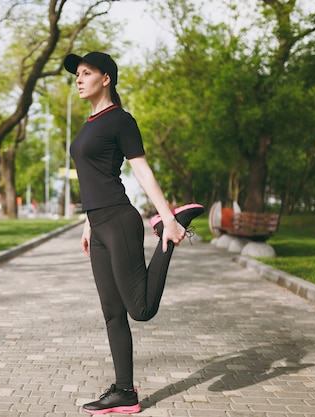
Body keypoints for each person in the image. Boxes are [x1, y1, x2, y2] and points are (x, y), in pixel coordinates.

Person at [63, 51, 204, 415]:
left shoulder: (120, 120)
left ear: (106, 78)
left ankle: (170, 231)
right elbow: (94, 176)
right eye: (77, 74)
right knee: (112, 312)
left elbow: (140, 171)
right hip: (99, 223)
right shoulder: (89, 122)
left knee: (140, 309)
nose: (78, 79)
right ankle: (124, 391)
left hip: (121, 220)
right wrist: (87, 222)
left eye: (85, 73)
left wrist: (165, 216)